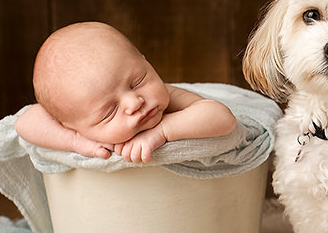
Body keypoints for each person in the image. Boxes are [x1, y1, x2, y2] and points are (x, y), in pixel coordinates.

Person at [15, 22, 237, 163]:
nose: (134, 102)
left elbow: (222, 118)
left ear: (145, 61)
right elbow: (24, 123)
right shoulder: (80, 131)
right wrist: (75, 142)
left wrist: (162, 131)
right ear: (69, 125)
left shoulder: (168, 99)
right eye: (110, 111)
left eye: (137, 81)